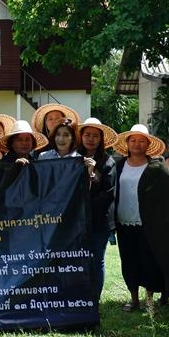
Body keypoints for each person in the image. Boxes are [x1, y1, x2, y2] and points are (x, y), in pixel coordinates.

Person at [112, 123, 167, 312]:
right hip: (124, 220)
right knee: (129, 260)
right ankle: (134, 299)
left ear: (148, 144)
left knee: (149, 260)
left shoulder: (155, 166)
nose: (137, 144)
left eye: (142, 141)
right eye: (133, 140)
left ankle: (149, 300)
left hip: (148, 222)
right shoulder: (119, 165)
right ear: (127, 143)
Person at [74, 117, 118, 303]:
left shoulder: (108, 162)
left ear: (101, 139)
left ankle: (95, 299)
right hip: (75, 221)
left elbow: (108, 194)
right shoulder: (73, 158)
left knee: (96, 260)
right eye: (87, 135)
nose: (91, 139)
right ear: (81, 136)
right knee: (78, 260)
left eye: (95, 136)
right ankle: (80, 297)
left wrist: (92, 175)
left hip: (100, 221)